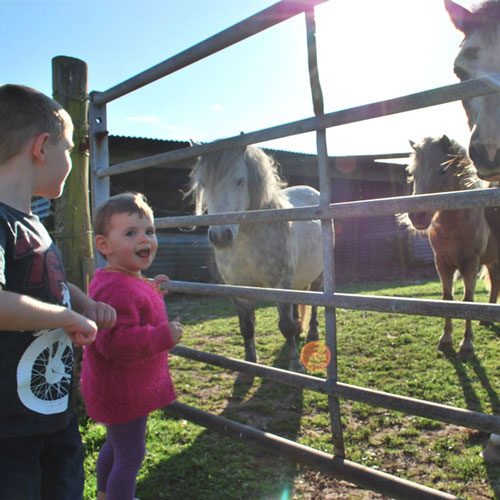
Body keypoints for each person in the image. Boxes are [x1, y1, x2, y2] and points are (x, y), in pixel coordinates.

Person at [0, 83, 117, 499]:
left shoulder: (32, 222)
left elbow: (45, 285)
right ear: (42, 146)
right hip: (10, 426)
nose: (71, 160)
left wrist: (83, 302)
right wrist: (66, 318)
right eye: (68, 149)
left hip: (54, 410)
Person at [80, 192, 183, 500]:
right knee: (131, 455)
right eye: (131, 233)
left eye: (149, 231)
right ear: (104, 245)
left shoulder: (118, 279)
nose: (145, 239)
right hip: (124, 391)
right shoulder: (116, 287)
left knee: (116, 445)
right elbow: (117, 343)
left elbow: (131, 307)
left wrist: (150, 290)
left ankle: (104, 494)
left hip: (115, 389)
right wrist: (163, 336)